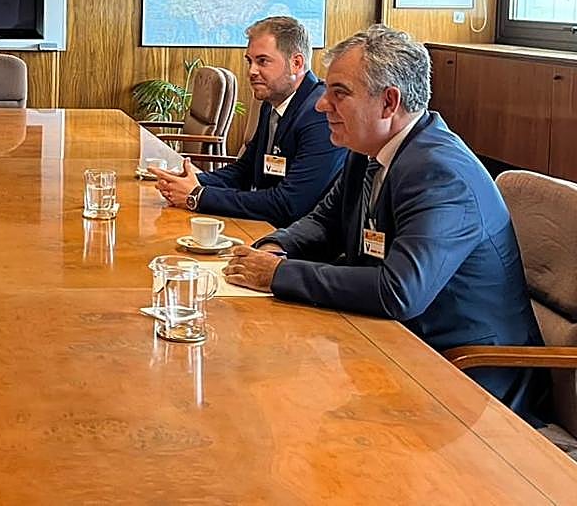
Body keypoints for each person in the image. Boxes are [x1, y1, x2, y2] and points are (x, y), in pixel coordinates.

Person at [223, 24, 546, 420]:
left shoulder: (441, 173)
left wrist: (279, 275)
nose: (322, 105)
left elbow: (399, 291)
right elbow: (326, 222)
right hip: (394, 344)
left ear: (389, 103)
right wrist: (278, 246)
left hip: (468, 381)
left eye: (339, 93)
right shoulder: (369, 147)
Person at [152, 16, 345, 228]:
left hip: (297, 242)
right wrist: (190, 181)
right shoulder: (272, 102)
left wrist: (200, 196)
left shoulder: (319, 114)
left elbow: (289, 205)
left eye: (262, 61)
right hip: (266, 227)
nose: (251, 71)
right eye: (249, 61)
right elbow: (244, 171)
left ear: (296, 63)